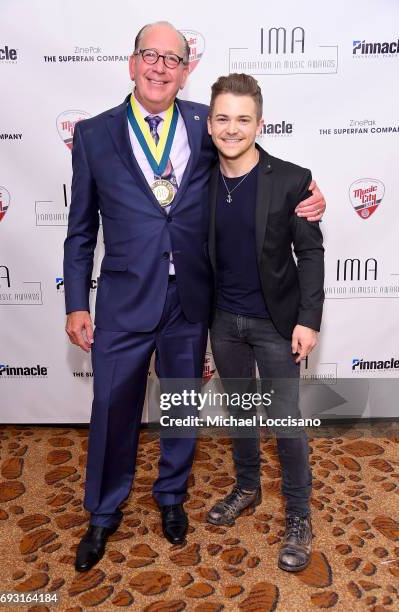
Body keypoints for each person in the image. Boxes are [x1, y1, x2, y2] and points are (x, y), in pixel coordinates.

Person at [63, 22, 326, 573]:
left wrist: (307, 191)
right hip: (124, 300)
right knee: (113, 408)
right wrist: (76, 302)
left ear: (186, 71)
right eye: (149, 56)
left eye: (172, 59)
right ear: (132, 63)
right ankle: (103, 514)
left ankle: (171, 497)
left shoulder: (202, 125)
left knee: (181, 406)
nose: (160, 67)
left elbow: (249, 151)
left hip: (190, 302)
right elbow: (81, 228)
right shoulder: (93, 135)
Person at [205, 73, 325, 572]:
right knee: (239, 411)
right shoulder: (196, 176)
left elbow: (311, 253)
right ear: (209, 122)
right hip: (222, 320)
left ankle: (299, 515)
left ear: (259, 123)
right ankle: (248, 487)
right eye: (222, 118)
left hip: (277, 324)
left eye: (243, 119)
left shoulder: (292, 179)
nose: (232, 129)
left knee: (286, 422)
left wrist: (309, 320)